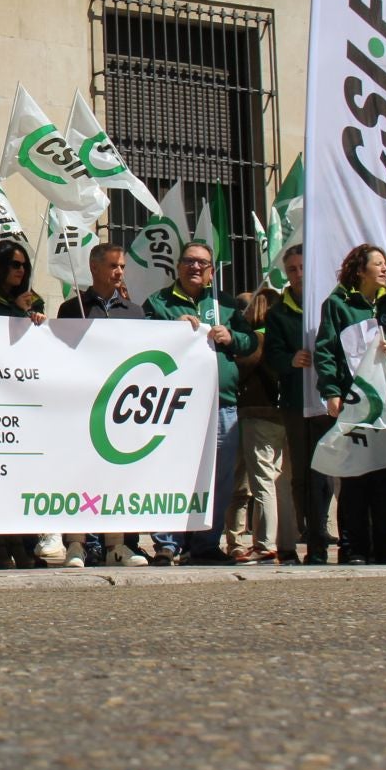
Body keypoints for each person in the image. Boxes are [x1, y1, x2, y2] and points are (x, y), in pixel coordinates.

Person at [142, 239, 253, 564]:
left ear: (211, 272)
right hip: (174, 405)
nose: (195, 267)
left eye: (202, 263)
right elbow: (138, 336)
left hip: (221, 405)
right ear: (177, 267)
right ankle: (167, 543)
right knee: (170, 471)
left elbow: (250, 341)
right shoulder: (159, 301)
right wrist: (170, 331)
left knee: (218, 480)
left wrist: (232, 337)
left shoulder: (227, 305)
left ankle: (205, 545)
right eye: (189, 261)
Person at [313, 244, 386, 566]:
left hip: (384, 403)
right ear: (360, 270)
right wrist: (330, 390)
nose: (385, 269)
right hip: (354, 403)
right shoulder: (338, 305)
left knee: (385, 478)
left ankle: (383, 548)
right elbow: (325, 350)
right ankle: (353, 547)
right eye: (378, 264)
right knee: (354, 478)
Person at [58, 241, 154, 567]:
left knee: (117, 476)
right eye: (113, 266)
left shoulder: (135, 312)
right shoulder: (73, 309)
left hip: (120, 409)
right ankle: (76, 543)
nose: (119, 272)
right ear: (94, 268)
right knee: (80, 475)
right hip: (82, 406)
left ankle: (117, 544)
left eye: (122, 267)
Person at [0, 237, 46, 570]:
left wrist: (34, 315)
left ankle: (22, 542)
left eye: (24, 265)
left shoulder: (33, 300)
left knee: (22, 474)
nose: (20, 270)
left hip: (24, 394)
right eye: (14, 264)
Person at [261, 245, 335, 566]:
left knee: (328, 471)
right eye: (292, 269)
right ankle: (313, 537)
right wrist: (290, 360)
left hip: (329, 400)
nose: (299, 274)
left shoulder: (329, 304)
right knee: (303, 474)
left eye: (303, 267)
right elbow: (272, 356)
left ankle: (325, 529)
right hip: (296, 402)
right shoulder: (279, 313)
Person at [232, 287, 287, 566]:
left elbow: (239, 370)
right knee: (266, 479)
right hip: (280, 415)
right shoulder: (283, 338)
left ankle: (263, 543)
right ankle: (256, 542)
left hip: (256, 413)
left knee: (257, 482)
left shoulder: (257, 339)